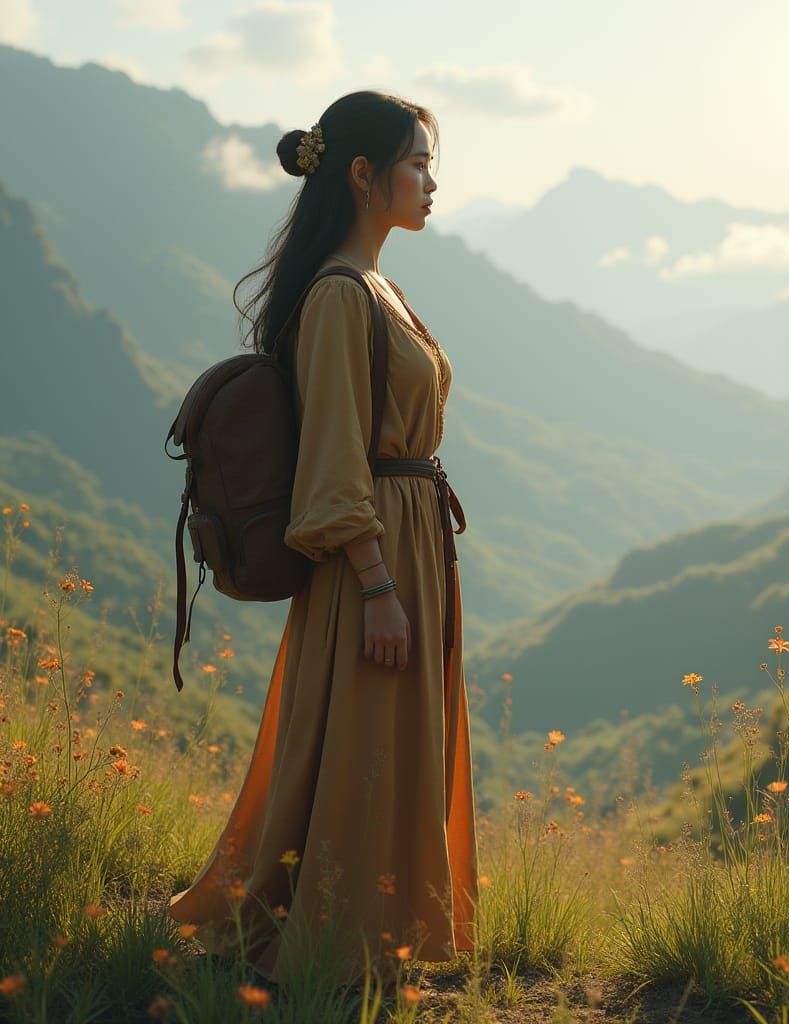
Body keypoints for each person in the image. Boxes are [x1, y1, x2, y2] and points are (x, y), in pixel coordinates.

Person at [167, 90, 480, 989]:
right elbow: (336, 463)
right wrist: (377, 586)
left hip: (410, 540)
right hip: (374, 556)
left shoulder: (377, 285)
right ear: (362, 174)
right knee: (363, 748)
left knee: (385, 743)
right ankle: (334, 946)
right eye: (418, 162)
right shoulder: (342, 297)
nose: (430, 182)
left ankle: (380, 933)